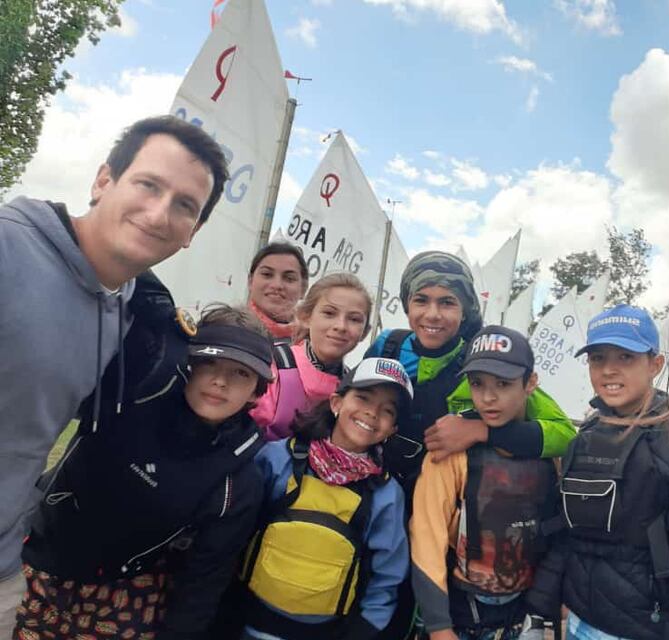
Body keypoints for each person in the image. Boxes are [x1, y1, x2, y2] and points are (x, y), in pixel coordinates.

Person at [0, 114, 228, 633]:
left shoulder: (128, 308)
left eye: (185, 206)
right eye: (149, 184)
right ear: (104, 180)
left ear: (192, 232)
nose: (159, 212)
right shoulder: (9, 249)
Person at [16, 305, 273, 639]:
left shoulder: (237, 481)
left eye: (241, 373)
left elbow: (204, 580)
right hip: (38, 562)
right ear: (187, 363)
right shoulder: (132, 393)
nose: (220, 381)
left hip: (124, 595)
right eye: (208, 361)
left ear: (256, 392)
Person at [363, 251, 575, 640]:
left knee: (423, 611)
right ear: (406, 303)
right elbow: (355, 405)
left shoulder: (482, 361)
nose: (433, 314)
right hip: (381, 506)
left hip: (449, 513)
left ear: (466, 310)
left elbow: (563, 433)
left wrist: (482, 432)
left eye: (448, 302)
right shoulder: (388, 347)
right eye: (421, 300)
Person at [523, 304, 669, 640]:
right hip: (580, 622)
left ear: (655, 364)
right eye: (598, 358)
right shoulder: (586, 437)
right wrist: (538, 609)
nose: (609, 370)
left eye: (625, 357)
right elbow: (568, 535)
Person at [240, 357, 413, 640]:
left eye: (387, 410)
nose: (372, 413)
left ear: (392, 429)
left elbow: (388, 573)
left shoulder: (385, 494)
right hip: (250, 622)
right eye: (363, 398)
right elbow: (234, 531)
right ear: (336, 403)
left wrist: (365, 629)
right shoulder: (279, 458)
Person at [411, 326, 560, 640]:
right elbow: (427, 538)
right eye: (478, 384)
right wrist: (439, 626)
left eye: (503, 384)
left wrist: (546, 607)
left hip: (525, 613)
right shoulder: (450, 450)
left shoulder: (550, 452)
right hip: (460, 613)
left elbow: (557, 534)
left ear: (530, 383)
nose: (489, 397)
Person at [251, 272, 373, 440]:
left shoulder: (353, 389)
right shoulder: (269, 366)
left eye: (354, 319)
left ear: (365, 332)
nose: (341, 326)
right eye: (329, 313)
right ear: (305, 317)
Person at [247, 242, 310, 339]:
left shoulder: (316, 346)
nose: (277, 285)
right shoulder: (225, 329)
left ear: (303, 289)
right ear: (250, 281)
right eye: (267, 274)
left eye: (289, 278)